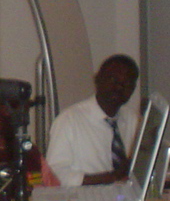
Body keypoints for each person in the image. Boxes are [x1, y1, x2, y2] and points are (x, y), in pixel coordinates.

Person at [45, 54, 140, 187]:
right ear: (97, 80)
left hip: (123, 195)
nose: (119, 87)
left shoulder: (132, 119)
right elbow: (55, 174)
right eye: (113, 79)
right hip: (84, 196)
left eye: (127, 83)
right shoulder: (69, 120)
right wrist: (110, 177)